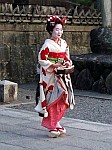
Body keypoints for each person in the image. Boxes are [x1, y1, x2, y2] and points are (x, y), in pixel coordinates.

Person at [35, 15, 75, 138]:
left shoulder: (64, 43)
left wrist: (67, 63)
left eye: (61, 29)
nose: (59, 32)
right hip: (51, 76)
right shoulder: (47, 44)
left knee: (64, 99)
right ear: (51, 30)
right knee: (52, 99)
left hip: (62, 75)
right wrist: (53, 65)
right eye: (57, 29)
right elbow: (42, 59)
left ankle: (57, 122)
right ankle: (52, 125)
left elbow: (67, 57)